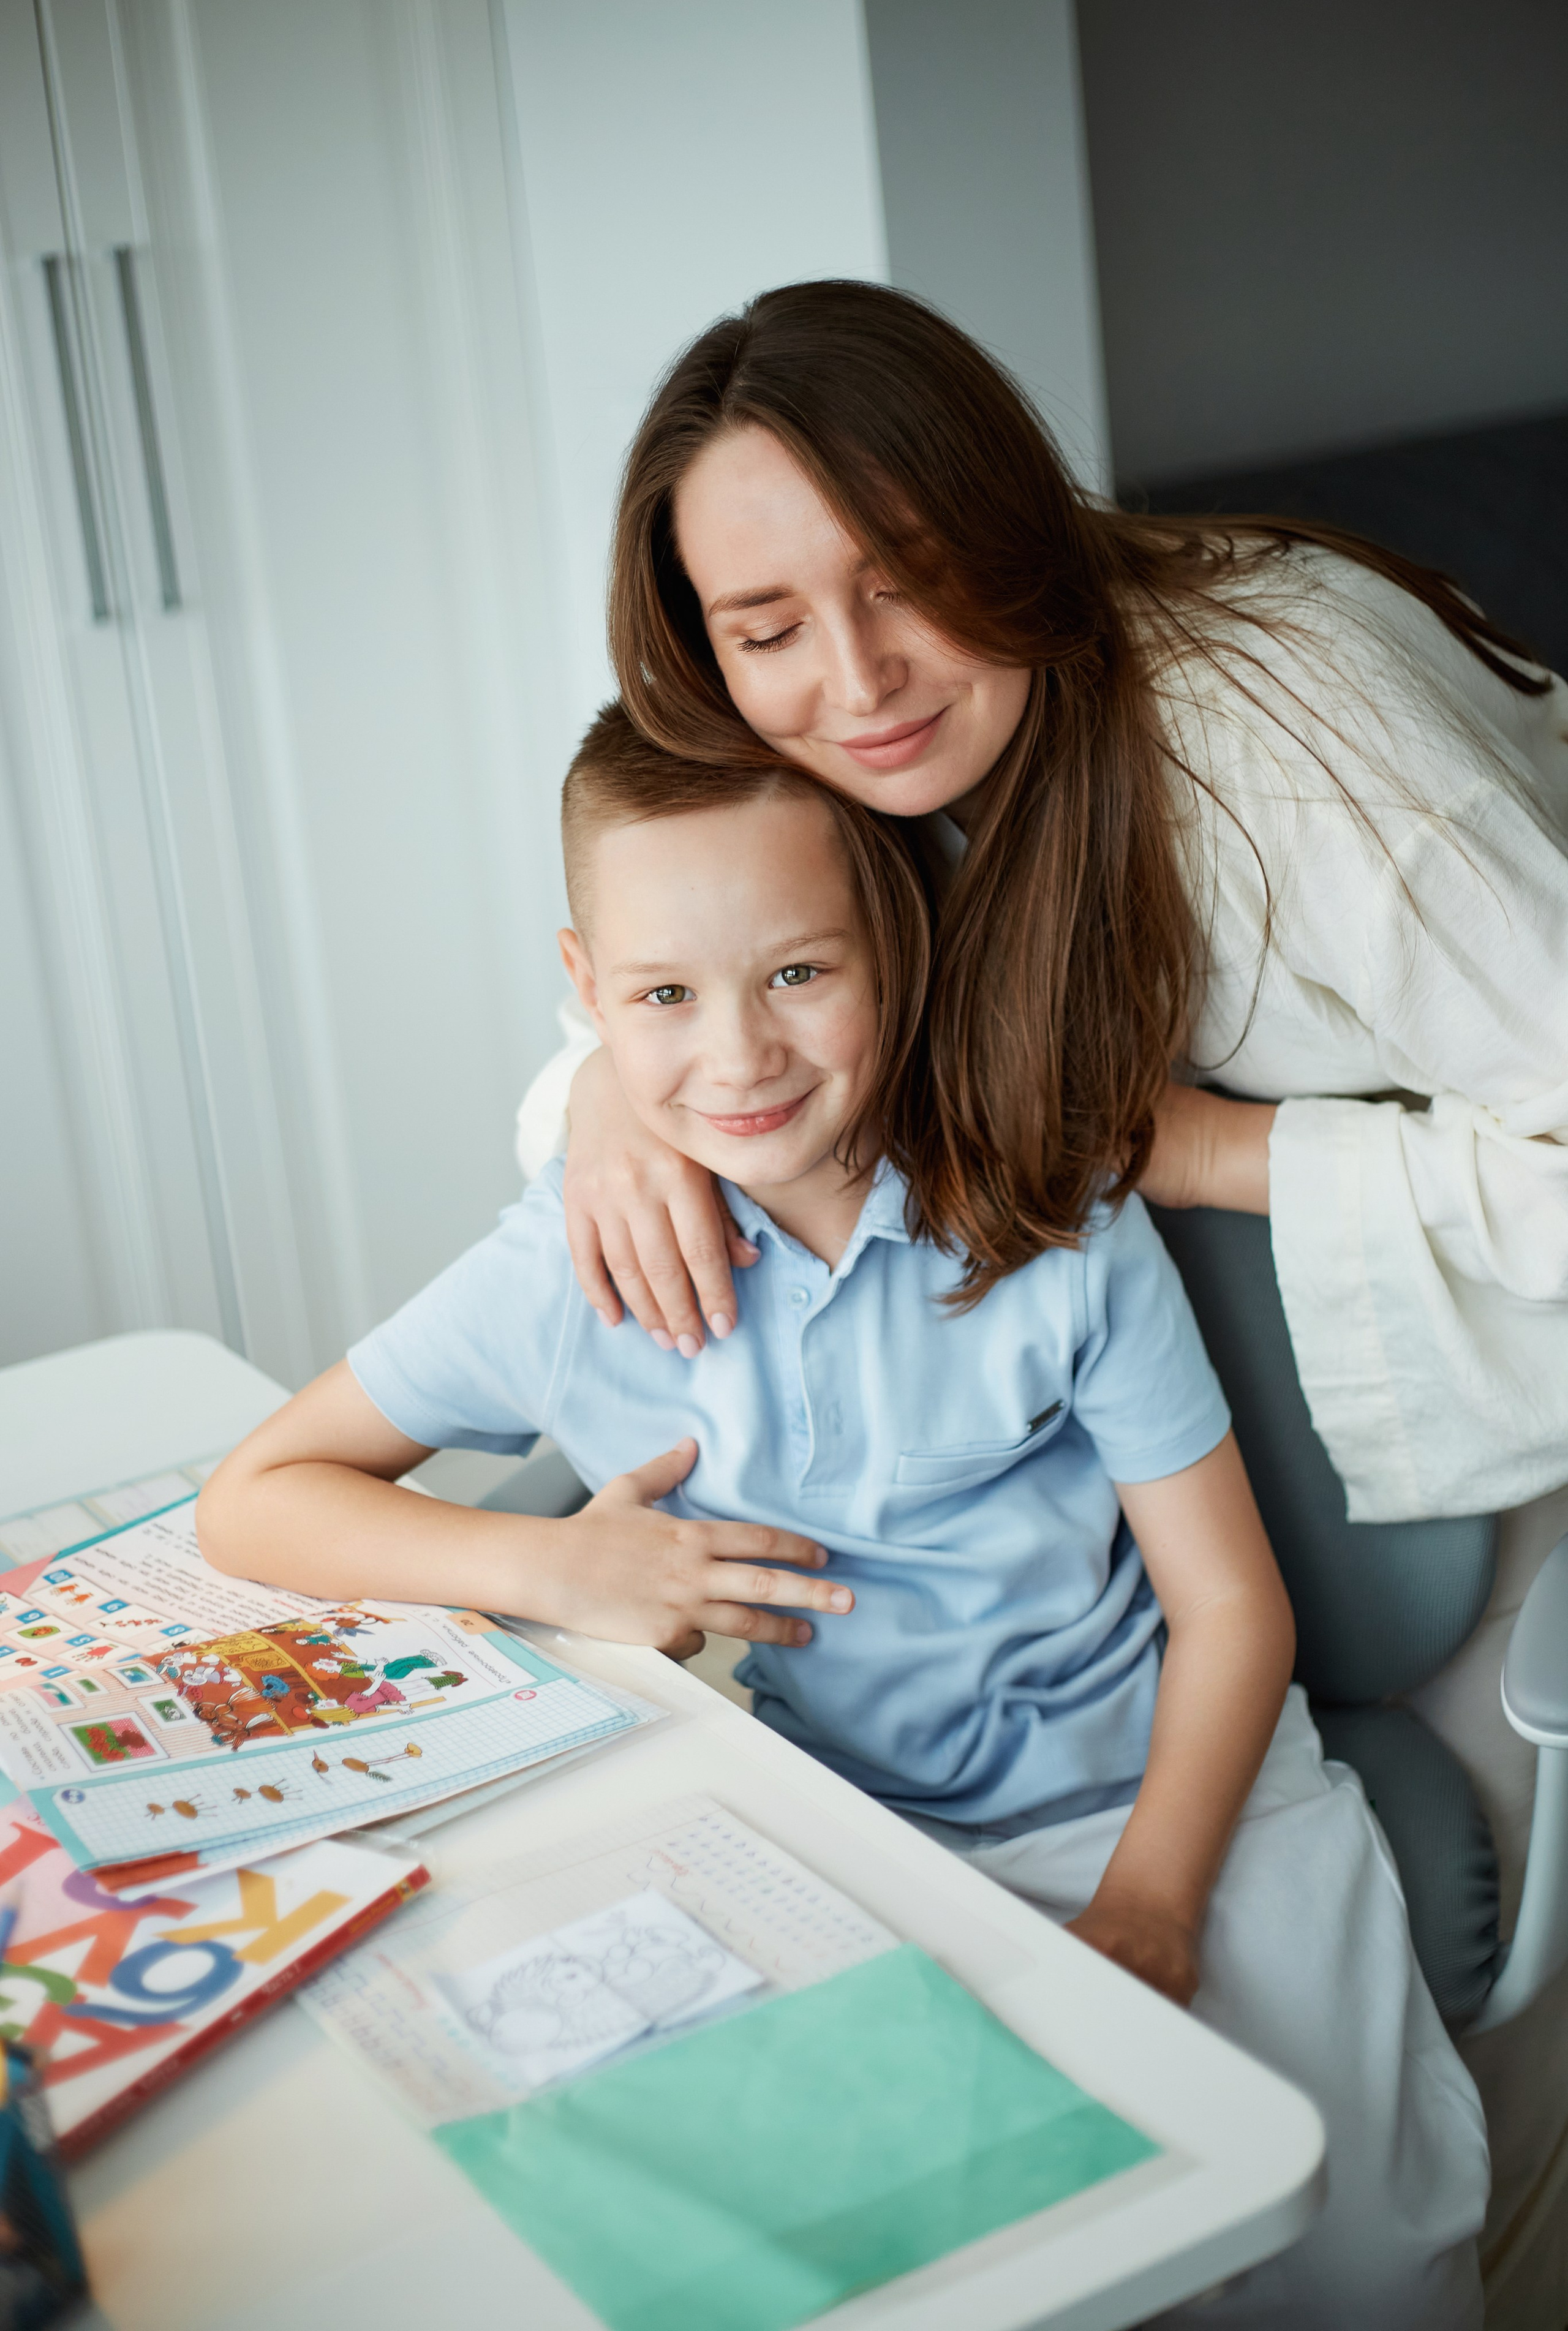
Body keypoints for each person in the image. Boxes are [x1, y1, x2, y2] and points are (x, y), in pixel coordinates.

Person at [201, 710, 1488, 2330]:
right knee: (986, 2266)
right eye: (664, 997)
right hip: (859, 1838)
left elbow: (1231, 1609)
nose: (739, 1056)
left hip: (1187, 1799)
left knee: (1358, 2255)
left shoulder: (1055, 1212)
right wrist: (553, 1564)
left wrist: (1155, 1904)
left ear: (899, 950)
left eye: (799, 974)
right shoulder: (567, 1269)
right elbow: (254, 1498)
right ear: (587, 989)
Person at [518, 277, 1568, 2102]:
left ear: (1006, 521)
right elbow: (707, 988)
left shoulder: (1301, 750)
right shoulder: (821, 759)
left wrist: (1203, 1148)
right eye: (768, 628)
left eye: (907, 579)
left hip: (1490, 1395)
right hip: (1141, 1505)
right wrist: (609, 1090)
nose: (858, 682)